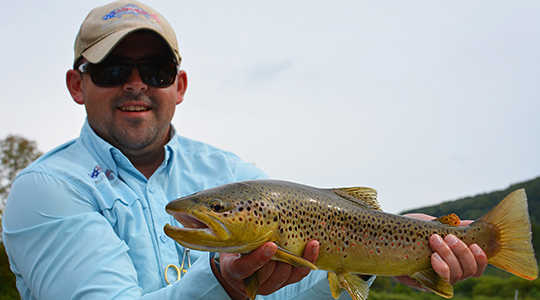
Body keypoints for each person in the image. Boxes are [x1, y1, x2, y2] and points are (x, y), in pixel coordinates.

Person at [2, 1, 487, 299]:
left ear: (180, 85)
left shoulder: (234, 172)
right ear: (76, 84)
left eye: (155, 71)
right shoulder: (48, 189)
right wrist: (224, 281)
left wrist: (380, 254)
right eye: (111, 71)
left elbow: (286, 298)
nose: (136, 86)